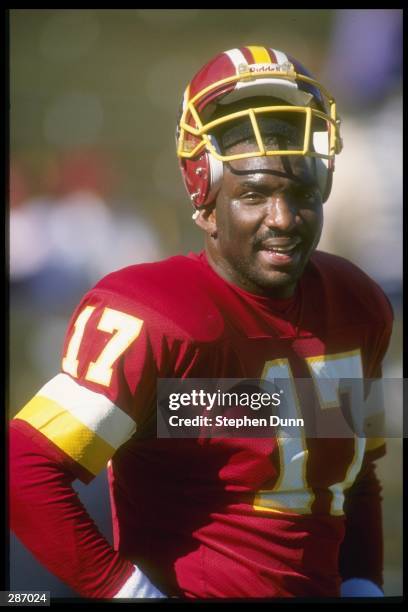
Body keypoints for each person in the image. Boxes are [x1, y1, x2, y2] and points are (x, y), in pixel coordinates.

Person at [10, 45, 393, 599]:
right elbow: (26, 466)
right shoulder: (152, 313)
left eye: (301, 194)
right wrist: (126, 591)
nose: (283, 220)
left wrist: (363, 583)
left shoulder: (360, 302)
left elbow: (358, 478)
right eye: (255, 195)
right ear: (206, 198)